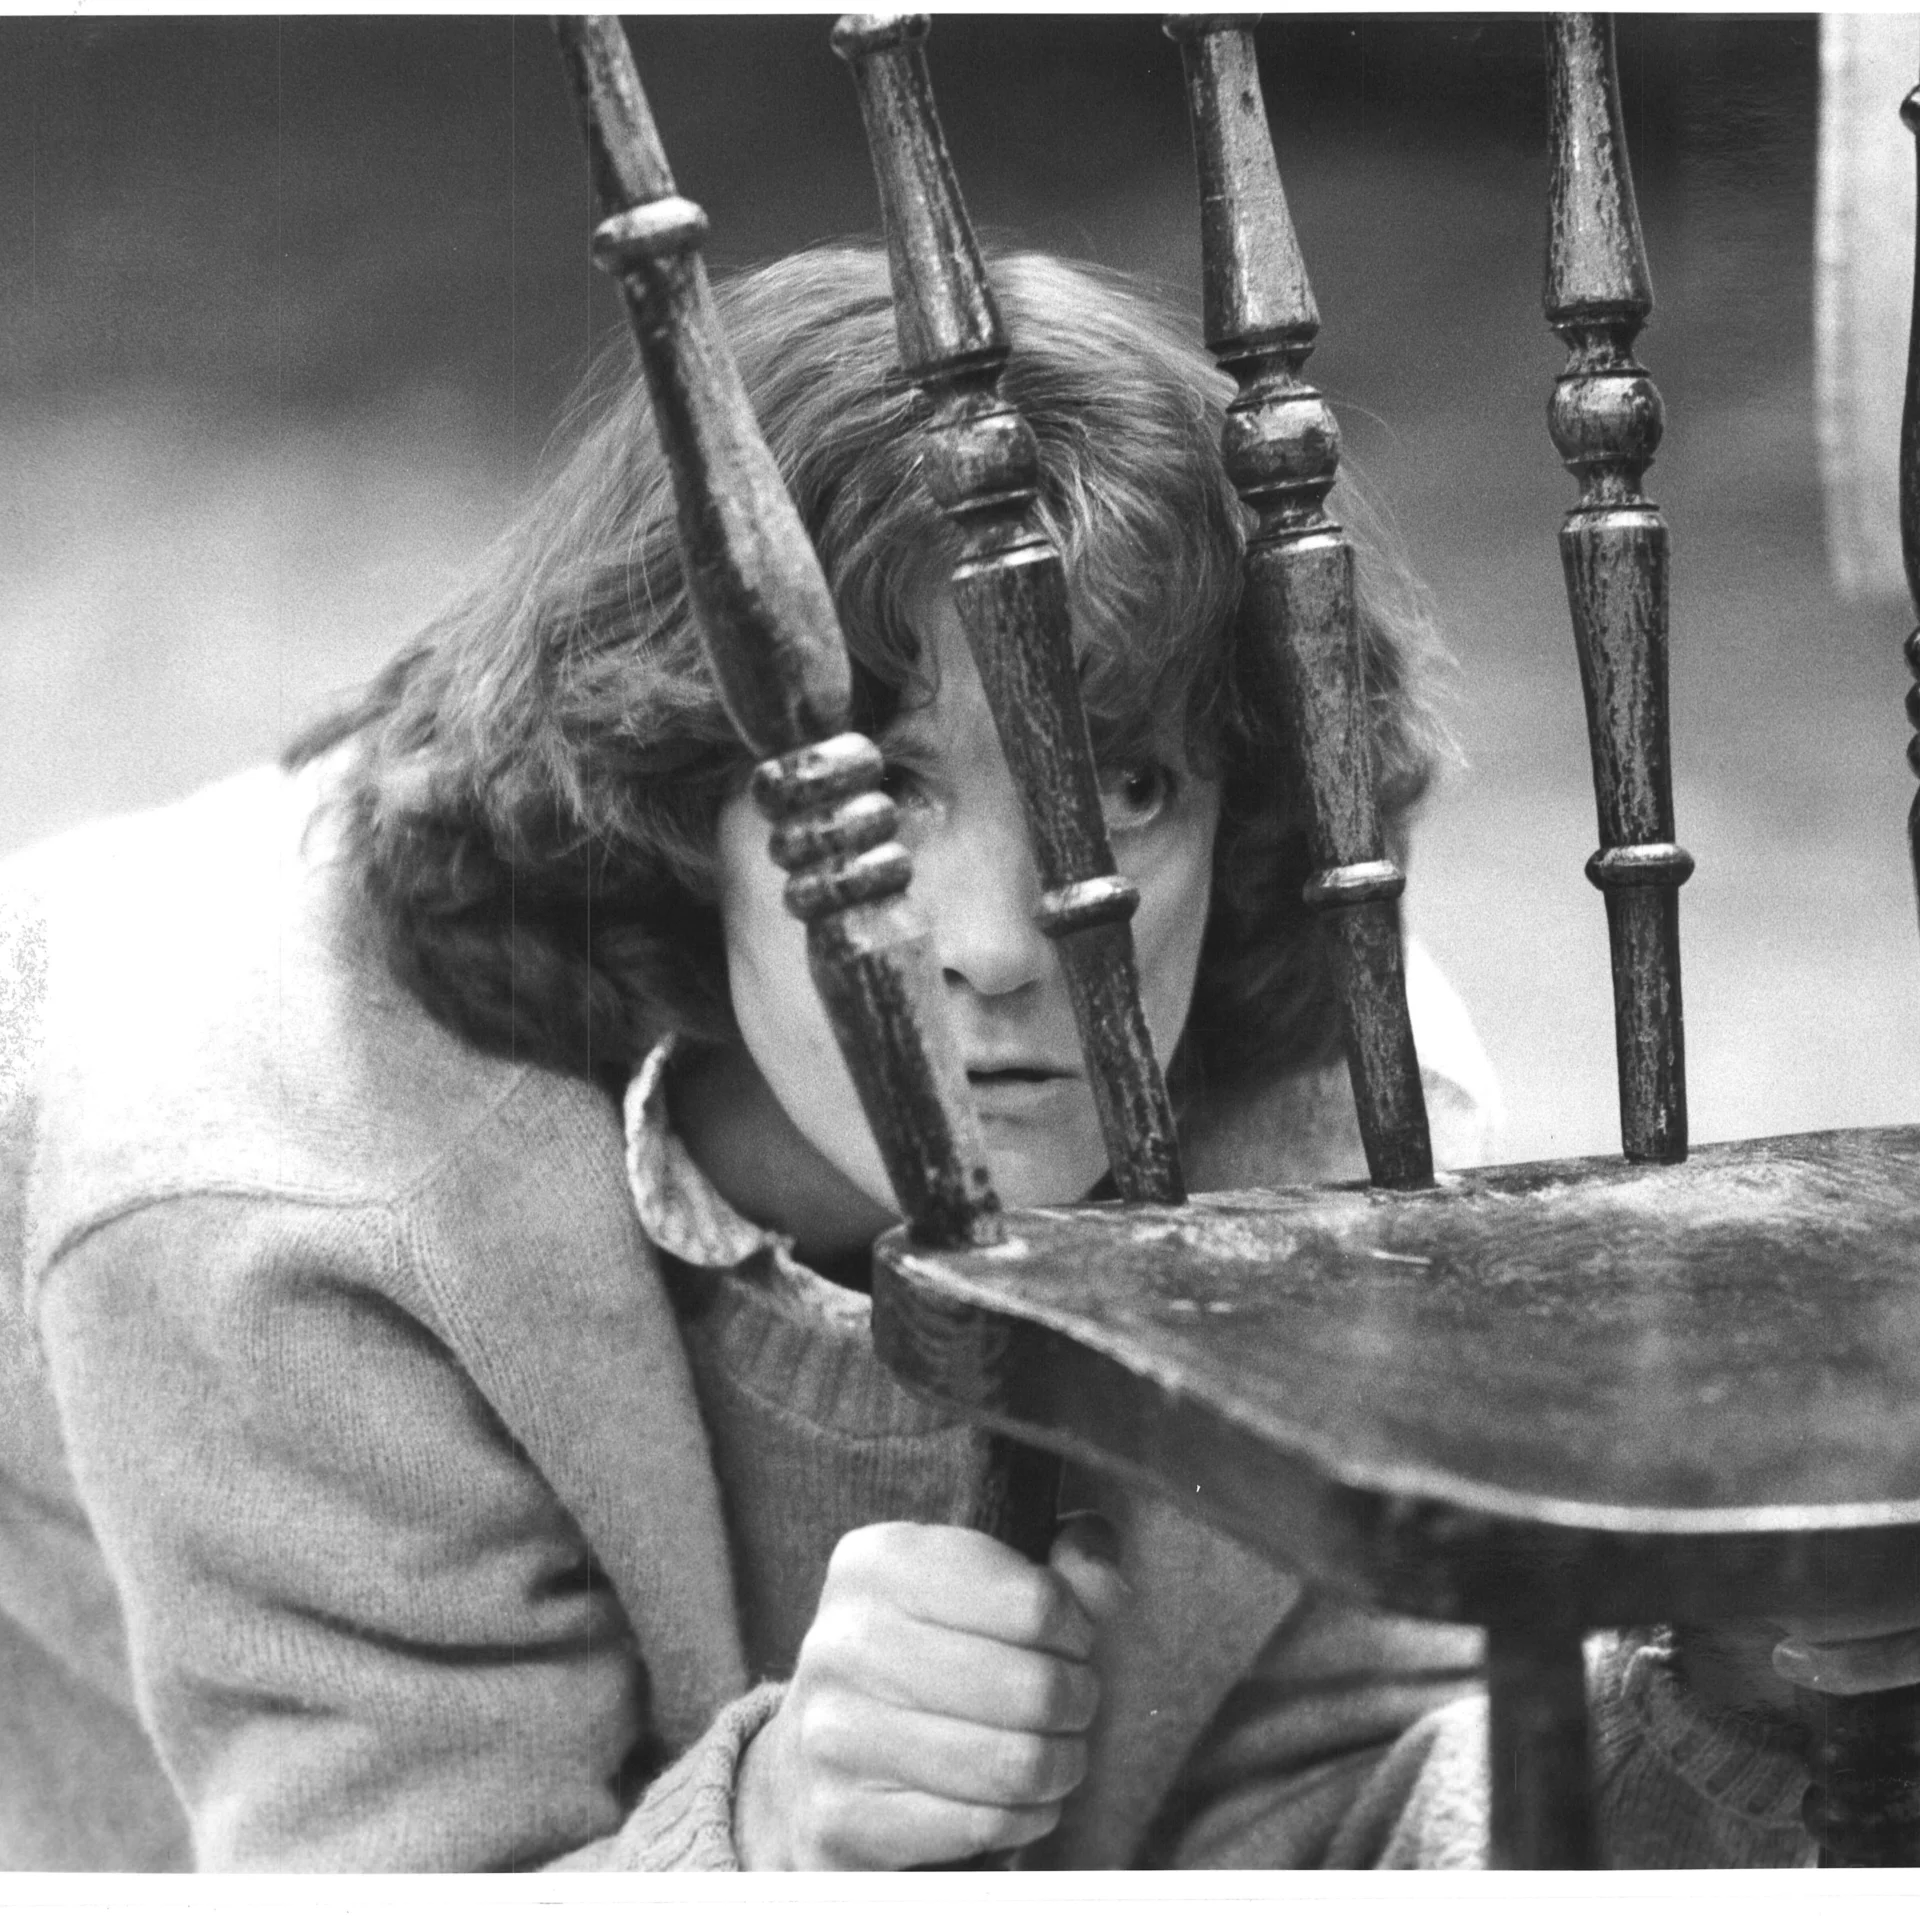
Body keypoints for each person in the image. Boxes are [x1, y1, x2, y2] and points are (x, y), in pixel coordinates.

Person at [0, 245, 1898, 1873]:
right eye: (874, 798)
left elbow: (1314, 1812)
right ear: (679, 812)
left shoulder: (1346, 1117)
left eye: (1123, 785)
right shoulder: (274, 1199)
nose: (1006, 945)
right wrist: (769, 1830)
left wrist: (1725, 1694)